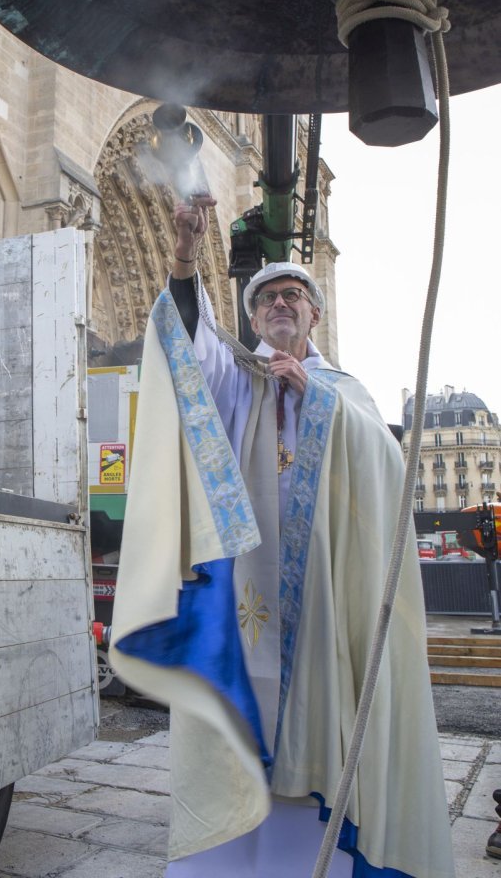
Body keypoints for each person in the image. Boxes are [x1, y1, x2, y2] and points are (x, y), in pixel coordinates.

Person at [109, 196, 454, 878]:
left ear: (314, 315)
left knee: (315, 732)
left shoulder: (342, 390)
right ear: (252, 315)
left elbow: (391, 471)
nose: (280, 304)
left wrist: (315, 398)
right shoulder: (233, 377)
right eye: (267, 297)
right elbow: (182, 345)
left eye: (294, 294)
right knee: (235, 732)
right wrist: (184, 253)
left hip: (321, 607)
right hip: (237, 600)